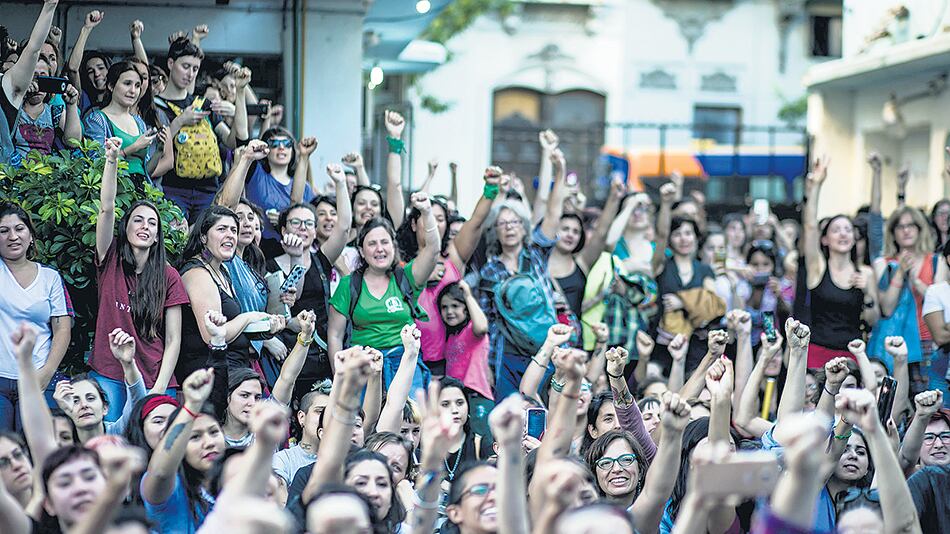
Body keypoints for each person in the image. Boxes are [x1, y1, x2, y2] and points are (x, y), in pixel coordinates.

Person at [89, 137, 187, 420]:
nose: (145, 226)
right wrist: (112, 160)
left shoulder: (169, 276)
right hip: (110, 373)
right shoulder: (110, 261)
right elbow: (106, 208)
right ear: (126, 228)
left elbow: (173, 340)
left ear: (158, 235)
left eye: (152, 222)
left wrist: (157, 389)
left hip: (155, 377)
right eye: (138, 220)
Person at [327, 192, 440, 395]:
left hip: (404, 364)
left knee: (409, 424)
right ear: (361, 251)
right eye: (372, 244)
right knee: (366, 426)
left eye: (384, 242)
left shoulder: (406, 277)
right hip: (363, 367)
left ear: (393, 245)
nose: (379, 249)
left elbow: (432, 250)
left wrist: (427, 211)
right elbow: (334, 335)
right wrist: (340, 377)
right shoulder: (349, 284)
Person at [176, 205, 284, 385]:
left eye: (234, 230)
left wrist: (266, 330)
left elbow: (234, 329)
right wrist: (249, 317)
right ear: (203, 237)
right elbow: (212, 336)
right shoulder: (197, 273)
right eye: (221, 229)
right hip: (208, 376)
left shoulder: (222, 271)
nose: (230, 235)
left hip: (236, 370)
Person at [0, 202, 72, 430]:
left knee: (37, 450)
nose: (13, 236)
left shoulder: (50, 277)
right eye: (3, 231)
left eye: (19, 229)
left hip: (38, 376)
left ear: (31, 236)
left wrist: (46, 373)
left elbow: (62, 329)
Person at [802, 157, 879, 368]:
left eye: (848, 229)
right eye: (836, 230)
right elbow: (809, 226)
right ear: (825, 239)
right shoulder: (817, 267)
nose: (843, 234)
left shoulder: (865, 273)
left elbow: (872, 320)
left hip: (851, 355)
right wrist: (816, 185)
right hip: (817, 352)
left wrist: (869, 295)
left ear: (854, 238)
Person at [651, 181, 725, 373]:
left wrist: (682, 302)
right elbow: (660, 235)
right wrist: (666, 205)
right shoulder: (661, 266)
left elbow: (713, 306)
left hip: (696, 345)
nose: (683, 239)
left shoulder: (704, 270)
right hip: (663, 343)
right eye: (677, 234)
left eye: (688, 234)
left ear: (696, 237)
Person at [140, 364, 223, 533]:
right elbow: (160, 473)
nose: (209, 443)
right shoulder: (171, 490)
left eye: (214, 432)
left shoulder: (234, 485)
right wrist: (192, 404)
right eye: (195, 437)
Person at [83, 62, 158, 183]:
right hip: (115, 189)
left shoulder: (139, 122)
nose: (133, 91)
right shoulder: (97, 119)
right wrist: (133, 148)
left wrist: (159, 150)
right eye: (127, 83)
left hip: (141, 190)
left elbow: (146, 170)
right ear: (111, 86)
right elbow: (96, 162)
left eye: (137, 85)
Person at [437, 280, 492, 400]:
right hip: (457, 396)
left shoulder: (472, 330)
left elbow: (482, 327)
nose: (449, 311)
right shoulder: (451, 336)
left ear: (466, 309)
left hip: (476, 395)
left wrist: (467, 295)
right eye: (444, 307)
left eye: (455, 306)